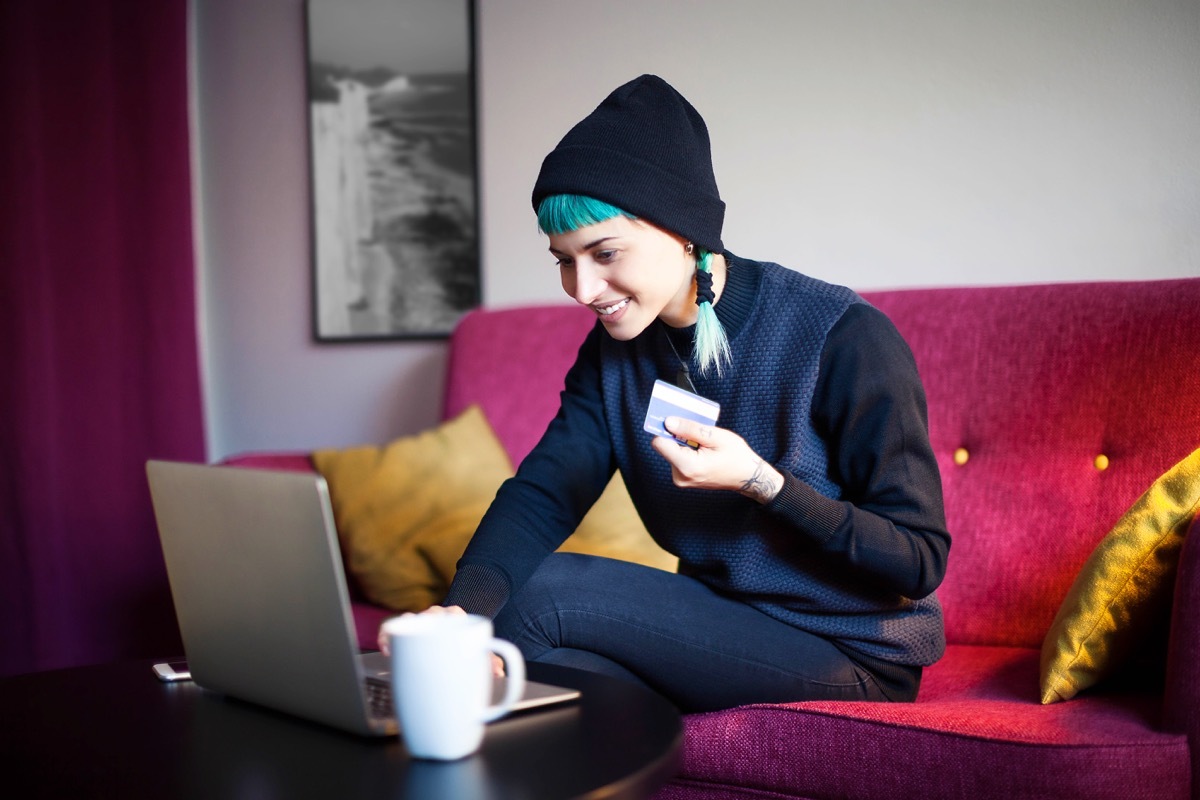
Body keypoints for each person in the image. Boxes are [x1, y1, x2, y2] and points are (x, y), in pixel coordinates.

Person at [382, 74, 950, 714]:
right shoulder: (616, 354)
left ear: (684, 230)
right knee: (553, 674)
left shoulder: (844, 337)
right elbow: (546, 491)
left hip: (852, 649)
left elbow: (919, 560)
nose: (582, 288)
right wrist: (462, 612)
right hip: (721, 622)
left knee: (544, 594)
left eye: (604, 252)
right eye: (563, 259)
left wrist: (760, 481)